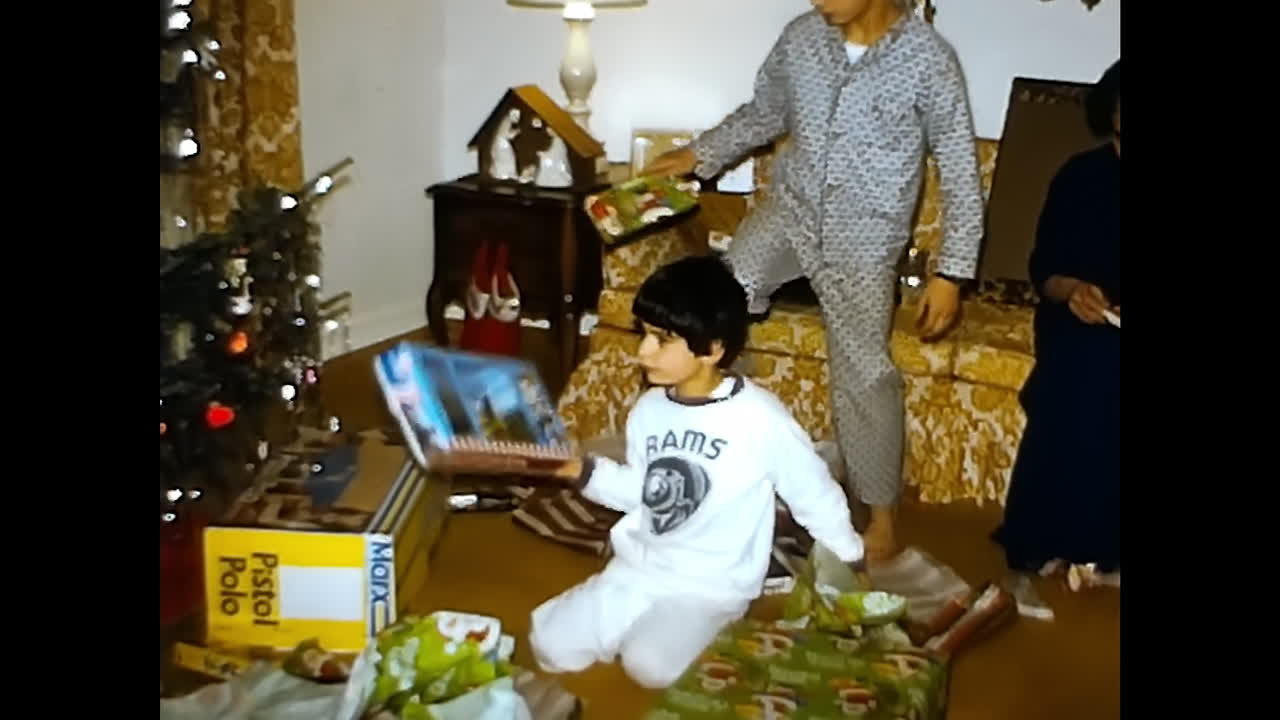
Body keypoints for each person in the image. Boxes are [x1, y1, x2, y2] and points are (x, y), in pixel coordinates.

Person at [643, 0, 984, 564]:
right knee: (720, 301)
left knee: (863, 370)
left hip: (864, 236)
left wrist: (951, 272)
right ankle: (722, 446)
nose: (815, 0)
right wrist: (695, 155)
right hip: (791, 213)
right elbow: (763, 114)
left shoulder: (929, 59)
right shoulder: (802, 38)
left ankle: (880, 513)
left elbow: (958, 167)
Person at [528, 256, 866, 689]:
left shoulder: (759, 418)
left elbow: (813, 492)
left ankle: (710, 631)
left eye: (661, 340)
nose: (642, 352)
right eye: (643, 335)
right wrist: (579, 470)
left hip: (711, 587)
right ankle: (638, 620)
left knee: (648, 665)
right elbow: (643, 491)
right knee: (550, 643)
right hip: (638, 569)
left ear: (713, 349)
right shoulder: (649, 410)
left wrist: (849, 557)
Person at [992, 60, 1121, 618]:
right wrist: (1074, 293)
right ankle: (1054, 538)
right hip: (1079, 316)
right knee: (1087, 376)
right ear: (1111, 112)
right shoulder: (1080, 176)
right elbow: (1045, 267)